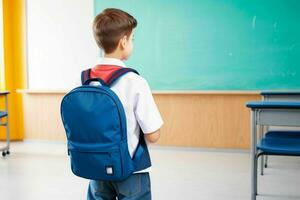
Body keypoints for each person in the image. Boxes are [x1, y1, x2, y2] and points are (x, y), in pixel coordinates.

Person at [87, 8, 164, 200]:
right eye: (132, 38)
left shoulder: (86, 79)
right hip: (130, 171)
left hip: (96, 169)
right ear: (123, 41)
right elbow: (153, 135)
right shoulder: (134, 82)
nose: (132, 43)